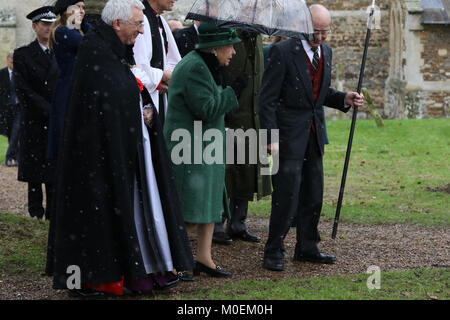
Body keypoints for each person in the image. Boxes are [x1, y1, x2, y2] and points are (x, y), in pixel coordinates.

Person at [45, 0, 193, 298]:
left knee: (113, 216)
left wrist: (144, 108)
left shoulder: (111, 49)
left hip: (111, 148)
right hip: (92, 155)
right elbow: (108, 94)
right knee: (91, 221)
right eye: (137, 25)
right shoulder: (95, 50)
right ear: (117, 24)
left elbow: (123, 87)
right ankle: (86, 282)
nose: (141, 31)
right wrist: (136, 105)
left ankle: (118, 275)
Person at [259, 4, 365, 271]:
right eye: (315, 32)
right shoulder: (282, 52)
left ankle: (307, 246)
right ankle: (274, 249)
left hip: (314, 134)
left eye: (325, 32)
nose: (320, 38)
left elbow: (317, 92)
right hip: (286, 136)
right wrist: (270, 137)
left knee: (313, 194)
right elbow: (267, 100)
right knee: (286, 195)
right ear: (303, 26)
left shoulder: (326, 52)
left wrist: (344, 98)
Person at [164, 23, 245, 278]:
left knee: (209, 203)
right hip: (188, 147)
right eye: (229, 46)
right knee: (190, 207)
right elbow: (206, 109)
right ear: (215, 47)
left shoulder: (206, 65)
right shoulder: (195, 67)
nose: (232, 52)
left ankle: (203, 257)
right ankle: (174, 262)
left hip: (203, 146)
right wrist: (234, 91)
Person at [212, 30, 272, 245]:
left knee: (247, 170)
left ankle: (238, 223)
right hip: (229, 114)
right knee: (225, 173)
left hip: (252, 116)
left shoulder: (256, 38)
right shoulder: (228, 34)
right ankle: (216, 223)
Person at [13, 7, 58, 220]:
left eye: (51, 24)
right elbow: (23, 89)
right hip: (34, 120)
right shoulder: (23, 55)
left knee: (53, 171)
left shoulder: (60, 53)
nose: (48, 28)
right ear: (34, 26)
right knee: (34, 173)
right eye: (44, 24)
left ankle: (52, 213)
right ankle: (35, 212)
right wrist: (48, 109)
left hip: (55, 121)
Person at [47, 1, 91, 160]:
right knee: (68, 143)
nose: (82, 11)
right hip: (69, 91)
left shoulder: (74, 31)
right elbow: (93, 43)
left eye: (83, 8)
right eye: (78, 7)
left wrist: (83, 22)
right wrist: (84, 24)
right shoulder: (62, 31)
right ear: (66, 11)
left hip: (77, 89)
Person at [133, 0, 181, 127]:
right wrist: (162, 77)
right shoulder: (140, 18)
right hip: (144, 100)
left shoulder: (159, 20)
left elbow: (173, 60)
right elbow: (138, 65)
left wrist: (168, 78)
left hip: (158, 97)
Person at [0, 52, 21, 167]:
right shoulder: (2, 73)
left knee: (16, 132)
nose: (13, 63)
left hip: (18, 108)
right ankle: (16, 157)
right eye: (11, 61)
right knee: (10, 133)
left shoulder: (20, 74)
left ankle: (9, 157)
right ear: (7, 60)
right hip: (6, 109)